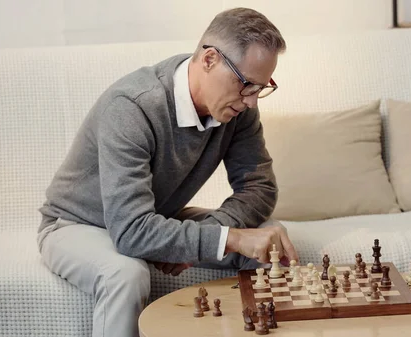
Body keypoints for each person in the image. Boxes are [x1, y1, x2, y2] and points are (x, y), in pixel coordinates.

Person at [36, 7, 298, 337]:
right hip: (78, 224)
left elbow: (259, 187)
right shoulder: (132, 105)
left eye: (261, 87)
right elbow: (131, 230)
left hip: (154, 215)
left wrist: (201, 239)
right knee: (126, 274)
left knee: (269, 240)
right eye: (246, 84)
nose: (251, 101)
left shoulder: (239, 109)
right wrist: (226, 238)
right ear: (209, 60)